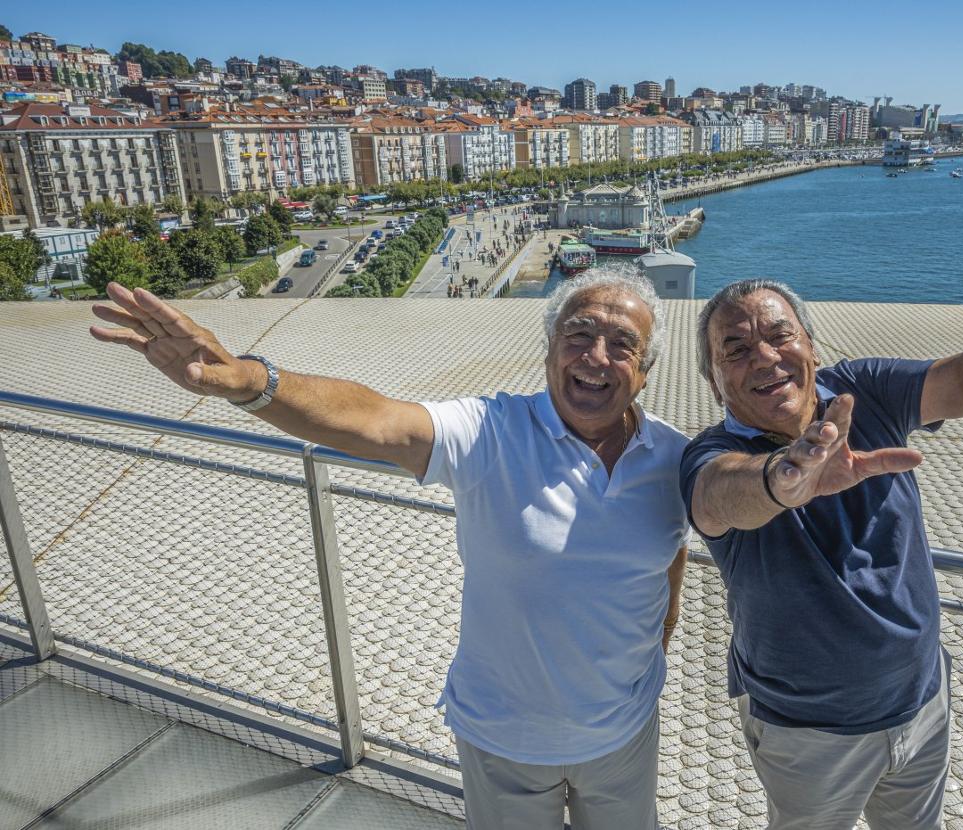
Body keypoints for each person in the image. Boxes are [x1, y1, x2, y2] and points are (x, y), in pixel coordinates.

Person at [90, 270, 690, 830]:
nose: (596, 357)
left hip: (625, 737)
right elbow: (374, 420)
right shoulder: (491, 431)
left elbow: (670, 552)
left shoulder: (674, 456)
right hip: (505, 742)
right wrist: (250, 381)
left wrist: (656, 643)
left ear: (645, 371)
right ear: (549, 350)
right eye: (577, 335)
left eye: (622, 345)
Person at [679, 260, 963, 830]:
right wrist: (781, 479)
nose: (766, 359)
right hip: (807, 735)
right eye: (737, 350)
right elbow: (718, 496)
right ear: (713, 380)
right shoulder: (710, 453)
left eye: (780, 337)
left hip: (924, 703)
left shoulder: (863, 391)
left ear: (812, 347)